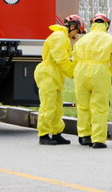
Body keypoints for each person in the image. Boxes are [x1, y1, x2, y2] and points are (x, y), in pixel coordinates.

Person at [73, 13, 112, 149]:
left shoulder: (82, 40)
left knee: (83, 106)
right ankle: (98, 139)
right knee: (99, 107)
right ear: (106, 24)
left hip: (81, 72)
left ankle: (84, 136)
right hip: (100, 73)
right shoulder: (111, 40)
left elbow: (75, 58)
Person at [35, 15, 83, 145]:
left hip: (54, 74)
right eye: (76, 31)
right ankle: (44, 135)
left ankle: (57, 133)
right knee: (48, 105)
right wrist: (73, 73)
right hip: (48, 73)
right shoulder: (59, 37)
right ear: (72, 26)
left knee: (57, 106)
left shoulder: (63, 38)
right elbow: (61, 59)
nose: (76, 34)